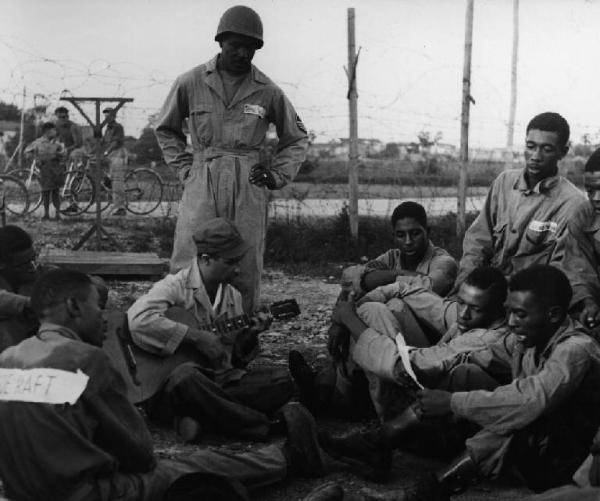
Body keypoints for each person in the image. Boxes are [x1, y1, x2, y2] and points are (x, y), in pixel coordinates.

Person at [0, 267, 326, 501]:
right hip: (85, 493)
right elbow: (142, 455)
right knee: (187, 466)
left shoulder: (9, 358)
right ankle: (287, 459)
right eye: (97, 307)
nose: (104, 317)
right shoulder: (88, 360)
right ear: (73, 307)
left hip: (26, 491)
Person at [154, 5, 308, 313]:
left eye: (250, 47)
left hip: (248, 182)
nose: (242, 52)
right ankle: (184, 331)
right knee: (191, 254)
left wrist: (276, 175)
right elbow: (166, 129)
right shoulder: (191, 82)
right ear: (220, 42)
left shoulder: (268, 91)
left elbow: (297, 138)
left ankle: (239, 341)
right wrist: (187, 170)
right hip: (203, 175)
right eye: (235, 45)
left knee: (244, 260)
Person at [294, 268, 508, 448]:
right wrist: (345, 317)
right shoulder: (473, 315)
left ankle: (378, 426)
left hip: (445, 419)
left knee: (369, 321)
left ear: (498, 311)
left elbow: (405, 367)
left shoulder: (487, 339)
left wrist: (349, 319)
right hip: (425, 389)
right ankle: (336, 395)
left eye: (475, 309)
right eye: (461, 303)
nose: (463, 314)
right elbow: (406, 289)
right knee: (373, 309)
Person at [127, 217, 294, 441]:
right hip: (168, 386)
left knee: (282, 381)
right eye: (230, 262)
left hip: (214, 381)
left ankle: (200, 417)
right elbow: (138, 319)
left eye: (238, 262)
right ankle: (261, 426)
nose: (237, 270)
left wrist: (251, 334)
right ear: (205, 259)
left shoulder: (232, 296)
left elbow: (232, 361)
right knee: (187, 376)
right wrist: (195, 337)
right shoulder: (174, 286)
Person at [456, 112, 589, 290]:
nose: (535, 156)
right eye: (530, 146)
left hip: (527, 301)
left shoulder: (573, 204)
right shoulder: (504, 183)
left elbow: (559, 272)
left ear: (562, 152)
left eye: (546, 149)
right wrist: (466, 283)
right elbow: (478, 240)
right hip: (482, 292)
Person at [563, 147, 600, 331]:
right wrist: (588, 303)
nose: (596, 198)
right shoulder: (584, 216)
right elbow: (579, 269)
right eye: (590, 190)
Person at [24, 122, 66, 220]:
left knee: (55, 192)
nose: (55, 132)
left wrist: (60, 156)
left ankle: (57, 214)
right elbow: (27, 152)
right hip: (44, 170)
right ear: (48, 131)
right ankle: (46, 214)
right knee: (46, 192)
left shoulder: (57, 143)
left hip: (55, 169)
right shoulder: (38, 142)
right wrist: (35, 159)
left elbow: (63, 154)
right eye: (53, 130)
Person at [102, 107, 128, 216]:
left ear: (114, 116)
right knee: (109, 179)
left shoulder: (118, 127)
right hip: (110, 154)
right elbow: (103, 142)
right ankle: (115, 202)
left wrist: (107, 151)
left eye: (109, 115)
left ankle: (121, 208)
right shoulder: (107, 128)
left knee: (117, 181)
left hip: (118, 154)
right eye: (105, 116)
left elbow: (116, 142)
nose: (107, 118)